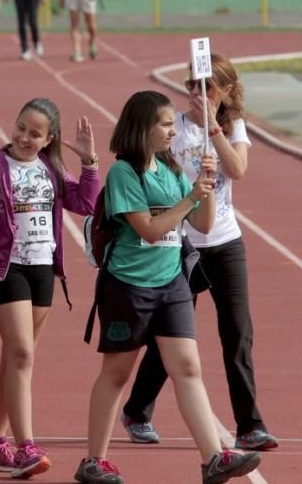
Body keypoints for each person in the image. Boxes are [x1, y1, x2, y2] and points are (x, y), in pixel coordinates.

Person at [76, 90, 260, 484]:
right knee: (117, 373)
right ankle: (94, 460)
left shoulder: (172, 168)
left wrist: (206, 184)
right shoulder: (125, 172)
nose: (171, 131)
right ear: (143, 127)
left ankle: (213, 457)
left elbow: (204, 225)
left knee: (188, 367)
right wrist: (190, 197)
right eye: (164, 124)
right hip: (129, 285)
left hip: (172, 281)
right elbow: (149, 227)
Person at [121, 56, 277, 451]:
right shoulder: (175, 126)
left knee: (238, 330)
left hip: (225, 241)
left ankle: (250, 425)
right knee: (171, 334)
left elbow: (238, 169)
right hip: (183, 243)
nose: (197, 94)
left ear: (224, 91)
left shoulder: (232, 125)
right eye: (192, 85)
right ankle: (137, 411)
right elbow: (151, 161)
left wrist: (216, 132)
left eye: (207, 87)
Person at [0, 99, 99, 478]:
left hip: (43, 269)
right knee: (22, 353)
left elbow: (86, 202)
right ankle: (26, 445)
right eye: (20, 127)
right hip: (5, 269)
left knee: (14, 358)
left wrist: (89, 163)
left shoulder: (52, 168)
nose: (24, 137)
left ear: (49, 138)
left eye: (34, 133)